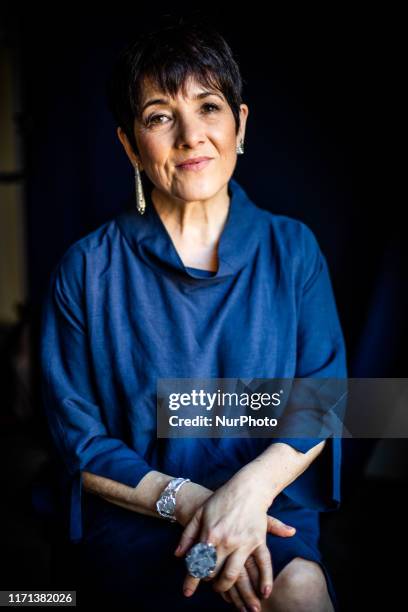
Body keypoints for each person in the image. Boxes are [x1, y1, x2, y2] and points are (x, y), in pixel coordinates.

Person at [40, 15, 347, 612]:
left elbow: (327, 397)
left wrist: (248, 495)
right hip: (143, 510)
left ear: (240, 124)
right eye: (159, 116)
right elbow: (78, 441)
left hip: (269, 503)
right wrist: (200, 509)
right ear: (129, 143)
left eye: (209, 107)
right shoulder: (85, 270)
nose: (190, 136)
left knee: (300, 591)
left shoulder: (294, 250)